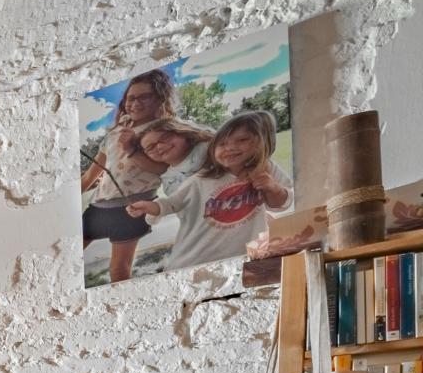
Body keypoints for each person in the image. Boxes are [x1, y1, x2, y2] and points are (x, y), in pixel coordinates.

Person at [127, 111, 292, 271]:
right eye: (222, 144)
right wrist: (151, 207)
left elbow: (282, 203)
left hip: (247, 253)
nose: (230, 148)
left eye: (242, 140)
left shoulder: (264, 168)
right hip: (199, 257)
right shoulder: (198, 179)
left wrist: (273, 188)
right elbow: (173, 203)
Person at [81, 70, 177, 282]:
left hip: (132, 209)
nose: (135, 103)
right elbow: (90, 174)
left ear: (160, 99)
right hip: (98, 207)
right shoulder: (115, 132)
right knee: (68, 253)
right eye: (131, 98)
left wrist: (132, 149)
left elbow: (164, 169)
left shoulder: (164, 131)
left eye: (144, 97)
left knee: (119, 270)